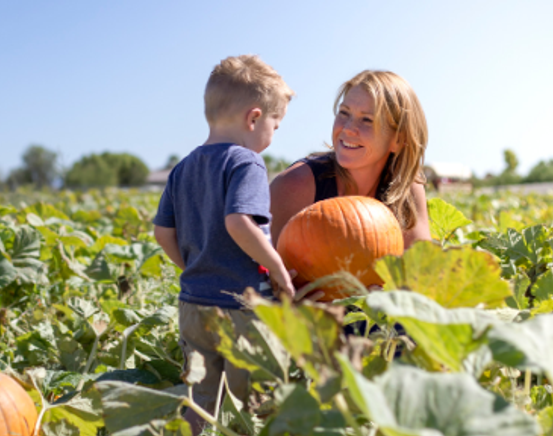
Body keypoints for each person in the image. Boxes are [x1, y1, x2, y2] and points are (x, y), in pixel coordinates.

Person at [153, 54, 295, 434]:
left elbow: (163, 233)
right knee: (246, 400)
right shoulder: (245, 162)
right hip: (239, 306)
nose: (272, 135)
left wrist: (193, 267)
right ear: (253, 118)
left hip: (193, 303)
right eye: (274, 125)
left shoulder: (182, 167)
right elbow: (238, 222)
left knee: (200, 397)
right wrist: (277, 267)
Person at [270, 70, 432, 302]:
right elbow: (258, 279)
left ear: (398, 139)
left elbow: (422, 272)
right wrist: (285, 300)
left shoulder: (406, 188)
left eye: (367, 120)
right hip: (308, 322)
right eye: (344, 113)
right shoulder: (296, 184)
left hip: (379, 318)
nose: (347, 128)